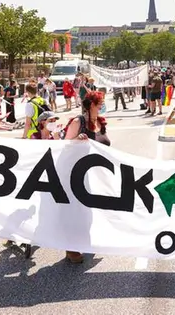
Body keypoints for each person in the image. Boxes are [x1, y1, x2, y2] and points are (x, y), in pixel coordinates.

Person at [63, 91, 110, 264]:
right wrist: (76, 140)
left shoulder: (101, 122)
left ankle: (85, 241)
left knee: (92, 211)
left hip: (97, 175)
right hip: (78, 174)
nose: (102, 106)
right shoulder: (78, 122)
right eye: (100, 103)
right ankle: (71, 248)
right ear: (91, 105)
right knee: (77, 212)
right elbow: (64, 146)